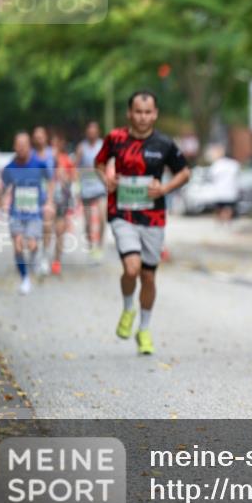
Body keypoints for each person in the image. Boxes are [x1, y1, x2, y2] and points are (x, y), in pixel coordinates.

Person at [95, 91, 190, 355]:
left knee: (148, 275)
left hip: (153, 216)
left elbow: (185, 172)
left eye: (148, 112)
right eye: (138, 111)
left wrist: (165, 189)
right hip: (122, 212)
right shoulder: (115, 139)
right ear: (129, 113)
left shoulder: (164, 143)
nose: (143, 117)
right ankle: (128, 308)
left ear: (155, 114)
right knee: (132, 268)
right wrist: (107, 179)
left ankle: (144, 329)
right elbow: (99, 163)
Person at [1, 132, 55, 294]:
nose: (21, 148)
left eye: (24, 144)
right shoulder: (10, 167)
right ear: (14, 147)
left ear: (29, 146)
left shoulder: (39, 164)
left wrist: (49, 201)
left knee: (32, 245)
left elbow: (50, 181)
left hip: (34, 213)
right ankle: (25, 278)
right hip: (16, 213)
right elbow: (3, 187)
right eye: (18, 145)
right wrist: (2, 201)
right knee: (17, 246)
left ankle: (35, 260)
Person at [76, 121, 107, 260]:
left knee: (102, 218)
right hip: (86, 187)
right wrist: (76, 186)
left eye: (94, 131)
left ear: (98, 132)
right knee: (88, 222)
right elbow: (76, 168)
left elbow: (109, 163)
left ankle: (99, 246)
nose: (92, 133)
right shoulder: (81, 147)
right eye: (90, 131)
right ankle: (90, 245)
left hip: (100, 186)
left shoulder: (103, 145)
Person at [50, 132, 77, 276]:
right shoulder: (44, 159)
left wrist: (64, 176)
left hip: (61, 199)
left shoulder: (66, 160)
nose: (54, 146)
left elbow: (73, 179)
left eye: (56, 143)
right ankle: (41, 256)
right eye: (52, 143)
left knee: (59, 231)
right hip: (46, 199)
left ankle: (56, 260)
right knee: (46, 228)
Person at [31, 125, 56, 275]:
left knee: (47, 227)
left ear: (46, 137)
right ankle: (34, 257)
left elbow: (52, 179)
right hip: (31, 198)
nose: (39, 138)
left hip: (47, 197)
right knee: (32, 230)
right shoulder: (30, 154)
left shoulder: (51, 154)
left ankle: (45, 258)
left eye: (41, 135)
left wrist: (50, 200)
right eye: (36, 136)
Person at [208, 146, 240, 224]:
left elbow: (211, 176)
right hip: (231, 191)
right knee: (229, 208)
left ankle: (221, 221)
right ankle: (227, 221)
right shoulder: (234, 164)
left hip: (219, 191)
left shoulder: (217, 164)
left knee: (220, 208)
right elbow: (238, 176)